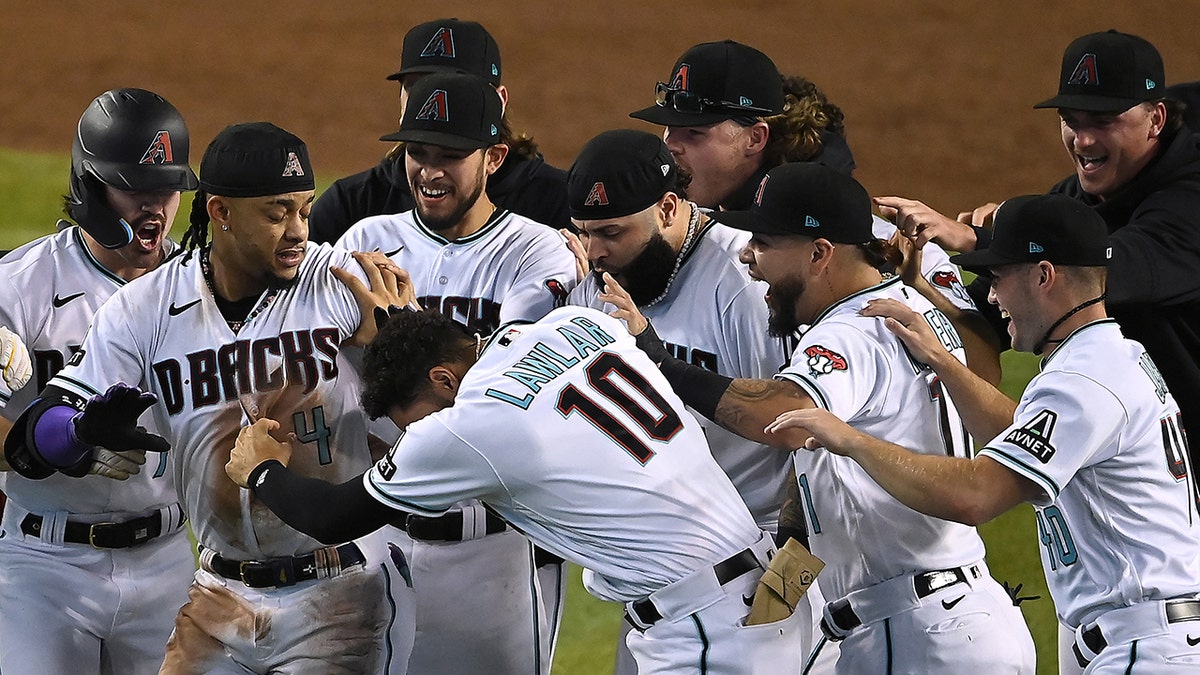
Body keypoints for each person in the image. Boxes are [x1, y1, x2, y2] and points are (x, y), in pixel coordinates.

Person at [3, 121, 416, 674]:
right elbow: (40, 430)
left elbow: (440, 401)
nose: (298, 230)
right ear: (220, 212)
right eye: (276, 212)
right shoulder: (144, 308)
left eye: (304, 208)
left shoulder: (341, 285)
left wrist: (399, 344)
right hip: (220, 597)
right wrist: (76, 433)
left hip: (342, 589)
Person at [610, 162, 1036, 673]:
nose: (747, 257)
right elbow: (817, 482)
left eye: (764, 243)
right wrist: (773, 603)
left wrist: (657, 359)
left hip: (920, 635)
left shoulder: (851, 330)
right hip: (945, 618)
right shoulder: (901, 306)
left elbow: (781, 413)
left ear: (819, 253)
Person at [225, 304, 808, 674]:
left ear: (443, 379)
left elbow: (333, 516)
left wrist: (262, 470)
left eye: (417, 419)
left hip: (706, 630)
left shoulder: (469, 425)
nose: (418, 435)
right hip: (772, 588)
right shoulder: (575, 324)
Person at [772, 193, 1200, 673]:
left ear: (1044, 276)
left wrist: (850, 440)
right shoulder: (1109, 356)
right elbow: (1016, 432)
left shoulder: (1085, 379)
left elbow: (977, 494)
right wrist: (941, 358)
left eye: (998, 278)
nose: (992, 298)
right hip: (1153, 636)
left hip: (1149, 645)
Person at [336, 71, 576, 675]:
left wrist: (400, 330)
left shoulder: (537, 252)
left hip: (492, 549)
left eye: (450, 156)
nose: (429, 171)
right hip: (379, 535)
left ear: (494, 157)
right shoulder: (366, 240)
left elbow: (504, 387)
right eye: (417, 152)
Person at [877, 30, 1200, 475]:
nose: (1082, 141)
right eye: (1072, 119)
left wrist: (980, 240)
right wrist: (914, 285)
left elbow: (1115, 268)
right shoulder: (1074, 202)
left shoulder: (1190, 197)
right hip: (1144, 463)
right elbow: (992, 312)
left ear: (1156, 119)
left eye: (1103, 122)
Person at [563, 129, 804, 670]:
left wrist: (791, 571)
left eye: (611, 232)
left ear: (669, 206)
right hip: (657, 574)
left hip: (753, 572)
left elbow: (802, 427)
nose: (595, 252)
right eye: (584, 233)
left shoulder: (741, 285)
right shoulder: (598, 284)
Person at [629, 40, 994, 383]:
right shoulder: (673, 235)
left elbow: (985, 376)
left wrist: (918, 289)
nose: (670, 145)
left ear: (755, 138)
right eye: (669, 127)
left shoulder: (893, 250)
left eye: (694, 132)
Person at [0, 88, 199, 675]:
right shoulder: (20, 288)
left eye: (165, 189)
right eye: (134, 188)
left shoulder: (201, 291)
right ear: (90, 187)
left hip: (168, 563)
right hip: (44, 569)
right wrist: (54, 445)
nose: (155, 207)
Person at [310, 17, 570, 243]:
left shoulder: (561, 203)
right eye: (417, 86)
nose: (433, 101)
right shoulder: (352, 207)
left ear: (499, 101)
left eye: (458, 87)